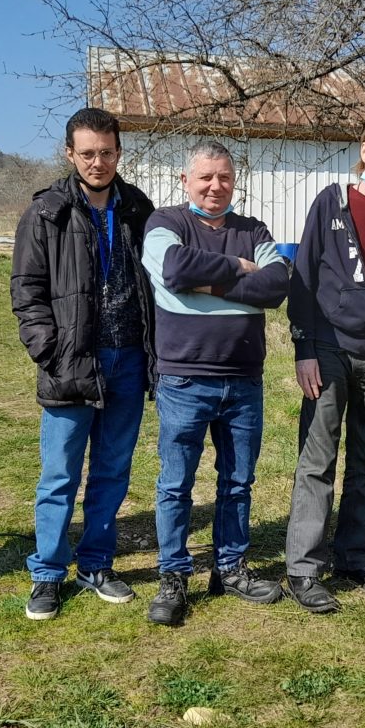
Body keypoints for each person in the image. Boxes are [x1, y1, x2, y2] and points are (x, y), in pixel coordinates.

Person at [10, 107, 155, 620]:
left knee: (113, 472)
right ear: (70, 154)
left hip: (129, 360)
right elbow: (27, 292)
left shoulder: (138, 207)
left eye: (107, 152)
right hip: (71, 362)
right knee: (59, 475)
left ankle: (96, 564)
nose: (98, 161)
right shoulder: (47, 210)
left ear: (119, 152)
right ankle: (48, 574)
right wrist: (49, 351)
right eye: (88, 152)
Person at [142, 142, 290, 626]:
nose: (214, 186)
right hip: (184, 378)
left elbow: (275, 286)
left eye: (224, 177)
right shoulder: (165, 224)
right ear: (186, 180)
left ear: (234, 180)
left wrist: (208, 280)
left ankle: (230, 568)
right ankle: (173, 575)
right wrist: (236, 268)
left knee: (238, 483)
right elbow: (174, 267)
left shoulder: (254, 230)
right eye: (205, 177)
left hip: (243, 379)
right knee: (175, 484)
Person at [283, 116, 365, 612]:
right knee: (317, 461)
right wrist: (304, 349)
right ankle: (303, 568)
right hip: (330, 350)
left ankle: (357, 557)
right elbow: (303, 276)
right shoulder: (331, 202)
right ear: (364, 150)